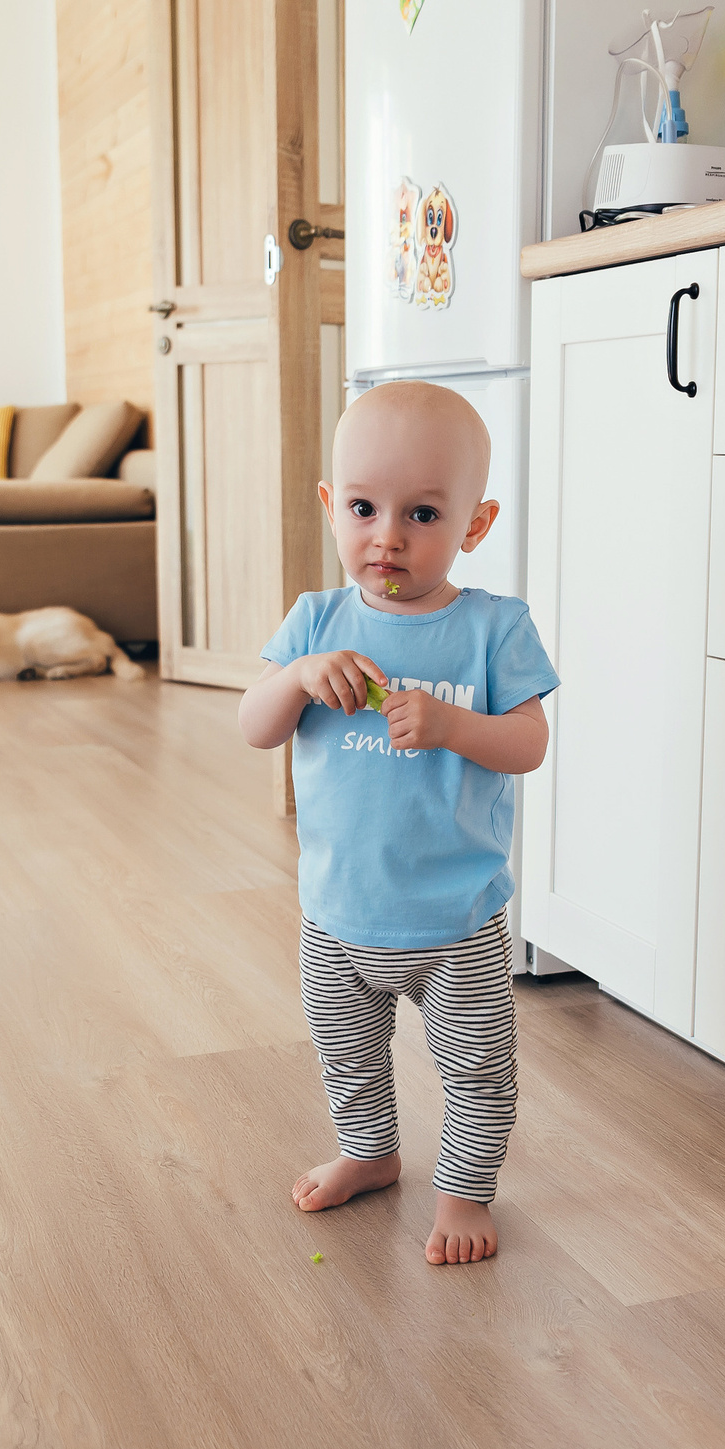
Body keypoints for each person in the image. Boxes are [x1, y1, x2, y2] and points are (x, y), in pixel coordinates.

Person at [237, 381, 558, 1264]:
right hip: (336, 910)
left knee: (477, 1066)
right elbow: (252, 724)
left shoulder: (494, 629)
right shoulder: (316, 622)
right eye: (364, 507)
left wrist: (456, 725)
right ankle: (370, 1151)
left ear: (476, 524)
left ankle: (463, 1190)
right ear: (329, 506)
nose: (387, 537)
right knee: (348, 1054)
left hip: (456, 918)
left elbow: (529, 742)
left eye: (422, 513)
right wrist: (298, 677)